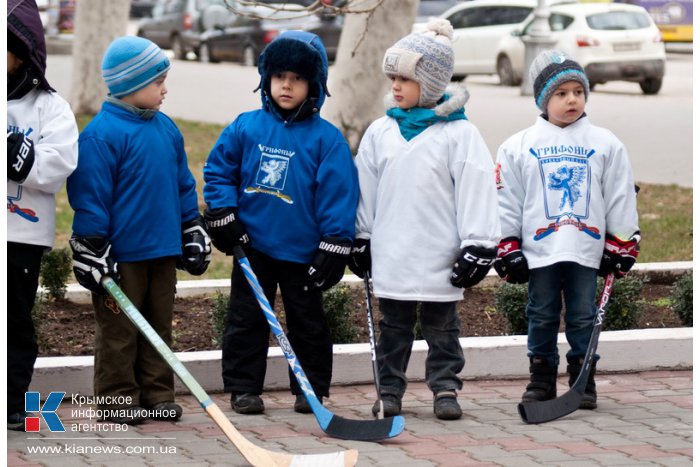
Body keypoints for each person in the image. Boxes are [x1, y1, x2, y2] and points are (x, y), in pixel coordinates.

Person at [348, 19, 501, 421]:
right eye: (392, 77)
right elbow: (366, 186)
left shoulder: (458, 134)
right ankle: (391, 390)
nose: (395, 86)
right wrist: (361, 236)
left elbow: (477, 187)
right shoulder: (381, 132)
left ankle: (445, 387)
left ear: (430, 84)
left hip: (439, 252)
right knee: (393, 328)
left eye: (404, 78)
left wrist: (478, 244)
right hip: (393, 249)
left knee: (442, 328)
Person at [203, 30, 359, 415]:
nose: (286, 85)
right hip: (252, 245)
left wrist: (335, 243)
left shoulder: (327, 139)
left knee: (307, 323)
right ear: (266, 78)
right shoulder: (246, 127)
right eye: (279, 77)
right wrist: (223, 213)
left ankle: (310, 390)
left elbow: (338, 193)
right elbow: (219, 171)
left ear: (315, 84)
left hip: (302, 251)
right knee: (246, 318)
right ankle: (243, 387)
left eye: (298, 78)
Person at [66, 36, 211, 425]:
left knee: (158, 327)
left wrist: (191, 227)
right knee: (119, 332)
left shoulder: (166, 130)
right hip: (121, 259)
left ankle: (157, 395)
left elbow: (183, 185)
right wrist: (92, 244)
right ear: (130, 85)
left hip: (162, 252)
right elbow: (91, 197)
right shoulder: (102, 135)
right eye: (158, 81)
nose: (165, 89)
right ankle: (117, 400)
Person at [494, 50, 640, 410]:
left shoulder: (606, 143)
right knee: (540, 313)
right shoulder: (518, 146)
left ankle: (582, 378)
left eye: (578, 91)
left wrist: (621, 243)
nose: (572, 99)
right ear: (543, 99)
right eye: (561, 93)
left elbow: (620, 195)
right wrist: (507, 243)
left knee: (582, 314)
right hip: (540, 250)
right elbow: (506, 199)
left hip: (585, 249)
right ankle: (541, 378)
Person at [7, 0, 79, 431]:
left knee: (14, 318)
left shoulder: (49, 107)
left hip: (21, 234)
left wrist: (18, 155)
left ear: (22, 51)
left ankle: (13, 400)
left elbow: (59, 164)